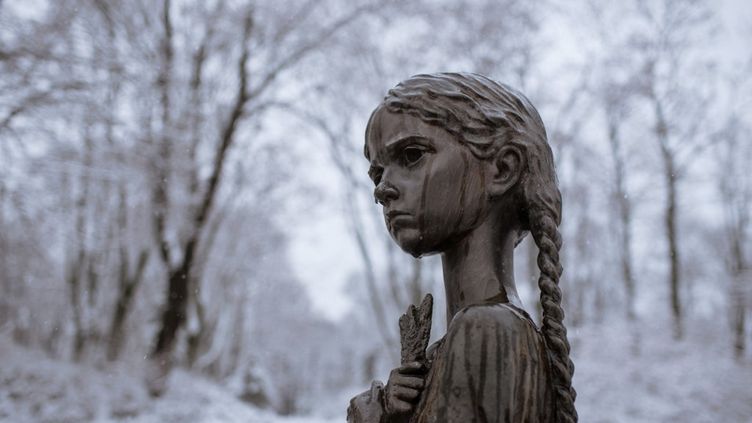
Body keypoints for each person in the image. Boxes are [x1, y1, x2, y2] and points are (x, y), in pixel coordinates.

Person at [347, 73, 577, 423]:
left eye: (411, 155)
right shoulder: (485, 331)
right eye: (377, 173)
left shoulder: (487, 329)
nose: (382, 189)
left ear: (503, 168)